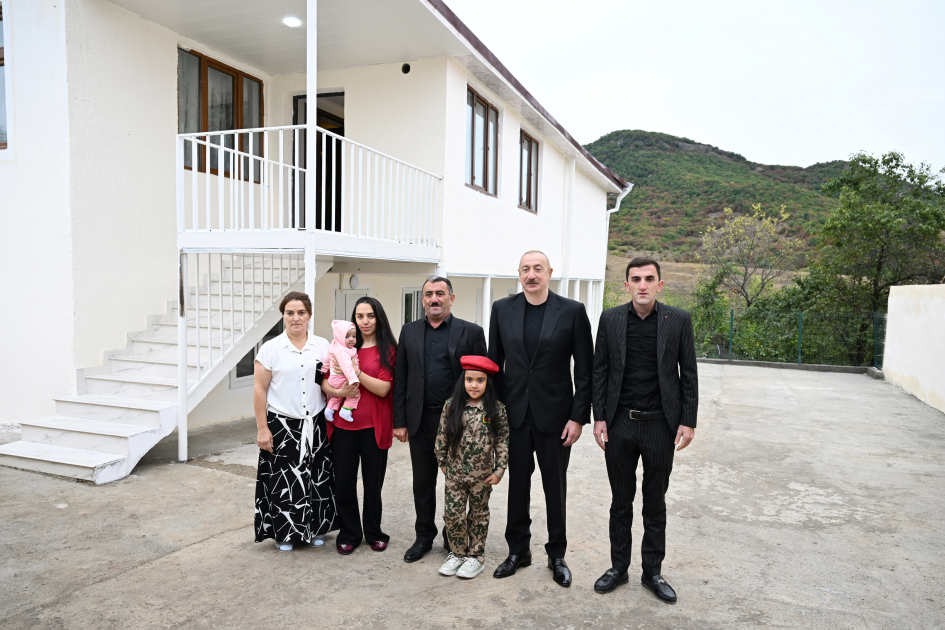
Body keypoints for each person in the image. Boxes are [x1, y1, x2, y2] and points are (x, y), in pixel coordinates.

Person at [591, 256, 698, 604]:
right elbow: (600, 370)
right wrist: (599, 417)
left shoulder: (678, 320)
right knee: (620, 502)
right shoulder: (610, 319)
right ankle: (618, 568)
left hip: (660, 426)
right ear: (626, 285)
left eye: (649, 279)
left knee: (655, 503)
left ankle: (652, 572)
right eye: (635, 279)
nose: (642, 285)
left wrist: (688, 420)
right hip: (620, 424)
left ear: (659, 285)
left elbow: (688, 373)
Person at [488, 251, 593, 587]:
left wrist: (578, 418)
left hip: (557, 418)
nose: (531, 275)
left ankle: (556, 555)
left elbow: (585, 371)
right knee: (517, 486)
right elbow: (494, 365)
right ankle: (518, 551)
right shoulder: (502, 309)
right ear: (519, 274)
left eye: (538, 269)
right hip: (516, 415)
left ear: (549, 273)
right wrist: (497, 413)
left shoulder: (572, 311)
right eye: (525, 269)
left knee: (554, 488)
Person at [392, 276, 488, 563]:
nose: (434, 299)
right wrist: (399, 421)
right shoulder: (409, 331)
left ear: (451, 298)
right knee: (422, 483)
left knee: (457, 484)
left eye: (440, 293)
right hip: (420, 421)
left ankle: (453, 537)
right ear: (422, 300)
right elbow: (401, 378)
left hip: (458, 424)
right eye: (429, 294)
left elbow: (482, 380)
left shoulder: (471, 332)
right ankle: (423, 537)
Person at [253, 291, 337, 551]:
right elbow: (259, 390)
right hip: (282, 426)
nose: (296, 318)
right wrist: (262, 429)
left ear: (309, 315)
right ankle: (285, 534)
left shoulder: (322, 346)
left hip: (316, 423)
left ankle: (314, 530)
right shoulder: (270, 349)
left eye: (301, 312)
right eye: (290, 313)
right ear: (283, 316)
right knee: (285, 483)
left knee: (316, 478)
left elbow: (330, 380)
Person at [322, 297, 398, 555]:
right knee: (343, 483)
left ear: (379, 318)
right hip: (343, 426)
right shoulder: (341, 345)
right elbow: (324, 380)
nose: (365, 321)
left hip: (373, 426)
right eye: (360, 316)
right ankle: (349, 533)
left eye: (370, 316)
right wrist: (339, 390)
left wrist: (355, 372)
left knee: (373, 485)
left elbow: (384, 388)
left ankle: (374, 532)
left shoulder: (388, 350)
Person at [434, 356, 509, 580]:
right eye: (469, 380)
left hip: (482, 477)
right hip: (454, 474)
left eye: (480, 380)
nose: (474, 385)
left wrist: (499, 470)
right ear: (462, 381)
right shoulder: (451, 406)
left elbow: (502, 442)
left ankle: (476, 557)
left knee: (478, 515)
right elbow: (441, 437)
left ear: (488, 383)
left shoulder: (496, 410)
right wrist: (442, 463)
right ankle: (457, 554)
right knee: (453, 515)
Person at [322, 320, 360, 423]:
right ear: (339, 337)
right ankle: (346, 411)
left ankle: (329, 410)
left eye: (354, 336)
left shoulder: (334, 346)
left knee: (338, 396)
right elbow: (346, 366)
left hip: (333, 379)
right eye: (347, 336)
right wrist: (353, 378)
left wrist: (324, 368)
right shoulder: (344, 351)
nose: (351, 339)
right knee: (354, 393)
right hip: (341, 378)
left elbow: (327, 359)